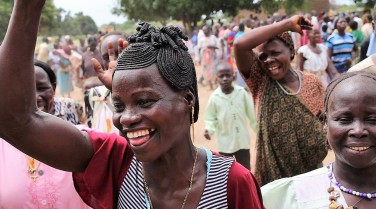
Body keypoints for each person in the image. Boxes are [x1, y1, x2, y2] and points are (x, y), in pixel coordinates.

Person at [0, 1, 264, 209]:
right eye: (119, 105)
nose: (126, 118)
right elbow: (15, 120)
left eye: (144, 101)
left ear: (187, 100)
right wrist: (28, 5)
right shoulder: (116, 162)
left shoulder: (230, 182)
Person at [261, 71, 376, 209]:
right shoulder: (285, 198)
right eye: (344, 120)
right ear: (325, 123)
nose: (358, 131)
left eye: (373, 120)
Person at [234, 15, 328, 186]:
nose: (269, 60)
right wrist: (287, 24)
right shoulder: (260, 80)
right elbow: (240, 45)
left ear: (291, 51)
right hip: (275, 179)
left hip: (312, 173)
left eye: (275, 53)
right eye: (263, 56)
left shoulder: (313, 82)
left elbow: (324, 119)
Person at [0, 60, 88, 208]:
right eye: (24, 89)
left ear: (53, 88)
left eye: (41, 88)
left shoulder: (82, 139)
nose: (34, 97)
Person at [204, 62, 256, 170]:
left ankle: (246, 187)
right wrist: (209, 129)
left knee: (245, 169)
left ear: (234, 76)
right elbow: (210, 118)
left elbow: (252, 115)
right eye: (221, 76)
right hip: (225, 144)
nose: (225, 78)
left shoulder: (241, 93)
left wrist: (259, 131)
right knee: (227, 172)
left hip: (242, 142)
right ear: (216, 78)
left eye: (228, 75)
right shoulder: (214, 98)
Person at [84, 31, 127, 134]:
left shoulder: (149, 93)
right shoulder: (94, 96)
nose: (114, 62)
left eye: (121, 53)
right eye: (106, 58)